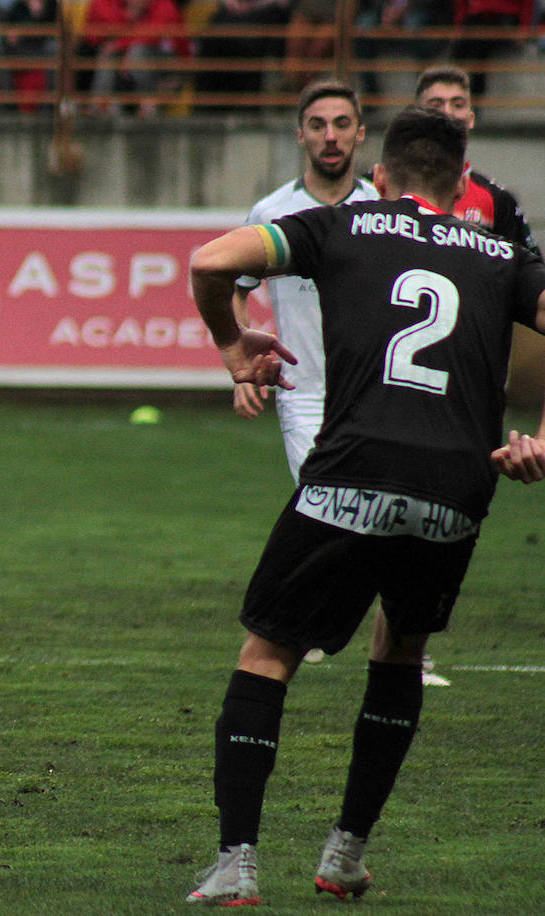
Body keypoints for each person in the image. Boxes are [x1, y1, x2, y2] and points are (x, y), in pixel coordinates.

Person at [184, 105, 545, 906]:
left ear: (379, 178)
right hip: (458, 490)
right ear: (461, 189)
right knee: (401, 648)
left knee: (268, 654)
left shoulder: (341, 225)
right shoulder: (498, 252)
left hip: (353, 472)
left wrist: (231, 346)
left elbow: (212, 261)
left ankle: (237, 863)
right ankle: (345, 852)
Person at [230, 78, 377, 667]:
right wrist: (242, 362)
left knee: (385, 515)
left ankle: (393, 646)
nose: (331, 135)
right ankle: (310, 625)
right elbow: (235, 289)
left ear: (360, 133)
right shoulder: (271, 213)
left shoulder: (383, 210)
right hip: (307, 394)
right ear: (300, 135)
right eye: (318, 124)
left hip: (374, 391)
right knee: (327, 508)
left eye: (342, 123)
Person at [413, 64, 538, 253]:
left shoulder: (498, 200)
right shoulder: (380, 186)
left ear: (471, 119)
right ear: (415, 117)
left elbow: (528, 273)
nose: (448, 113)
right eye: (436, 105)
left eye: (458, 105)